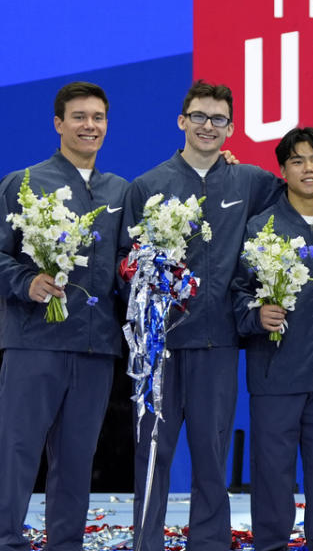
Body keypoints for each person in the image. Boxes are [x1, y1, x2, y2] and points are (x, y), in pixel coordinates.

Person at [121, 80, 285, 551]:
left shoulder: (250, 182)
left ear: (231, 129)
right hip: (161, 348)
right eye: (198, 117)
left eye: (218, 120)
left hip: (219, 342)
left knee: (211, 456)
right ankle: (145, 544)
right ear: (182, 121)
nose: (207, 126)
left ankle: (209, 544)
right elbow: (124, 261)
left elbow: (306, 197)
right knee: (153, 453)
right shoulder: (149, 185)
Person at [0, 81, 128, 551]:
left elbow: (127, 262)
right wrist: (26, 282)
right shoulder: (25, 183)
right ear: (58, 124)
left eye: (98, 118)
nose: (89, 126)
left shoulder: (119, 190)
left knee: (78, 457)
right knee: (18, 450)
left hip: (96, 346)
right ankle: (5, 541)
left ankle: (66, 544)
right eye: (79, 117)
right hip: (34, 341)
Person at [231, 127, 313, 551]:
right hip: (275, 376)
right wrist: (254, 315)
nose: (308, 168)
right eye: (297, 160)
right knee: (272, 473)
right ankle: (270, 545)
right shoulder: (260, 227)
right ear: (282, 169)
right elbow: (237, 294)